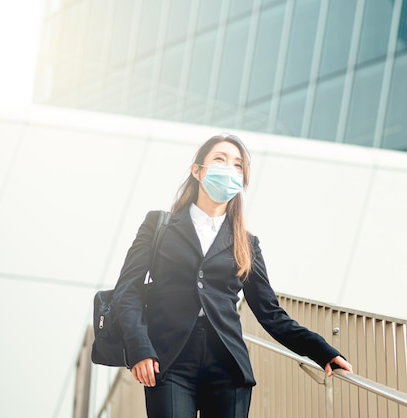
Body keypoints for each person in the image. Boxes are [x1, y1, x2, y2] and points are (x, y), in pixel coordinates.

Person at [114, 133, 352, 418]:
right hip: (168, 360)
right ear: (197, 170)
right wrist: (140, 348)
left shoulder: (246, 243)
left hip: (227, 365)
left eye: (238, 165)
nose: (229, 168)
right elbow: (126, 291)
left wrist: (322, 351)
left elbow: (270, 313)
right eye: (220, 159)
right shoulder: (158, 225)